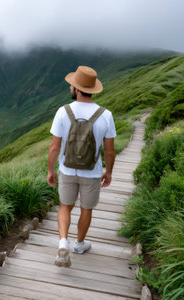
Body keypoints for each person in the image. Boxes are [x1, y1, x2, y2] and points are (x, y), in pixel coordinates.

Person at [47, 66, 116, 267]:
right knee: (86, 208)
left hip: (67, 169)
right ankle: (79, 244)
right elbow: (110, 151)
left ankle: (63, 243)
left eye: (72, 85)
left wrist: (51, 170)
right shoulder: (105, 115)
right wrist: (108, 172)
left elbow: (54, 146)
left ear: (77, 90)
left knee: (65, 207)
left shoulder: (63, 111)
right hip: (92, 172)